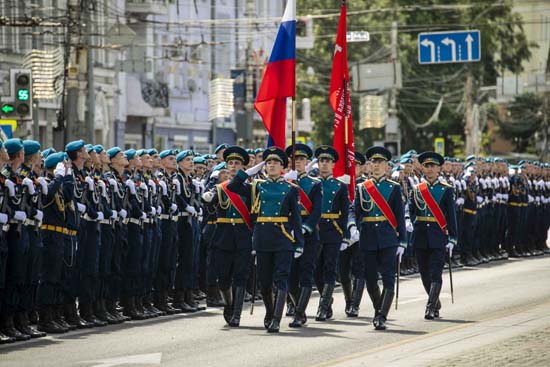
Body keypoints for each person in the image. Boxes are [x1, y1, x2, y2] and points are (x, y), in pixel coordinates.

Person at [227, 147, 304, 333]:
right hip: (262, 237)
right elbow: (232, 187)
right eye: (268, 162)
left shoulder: (291, 188)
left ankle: (277, 319)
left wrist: (299, 242)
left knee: (281, 279)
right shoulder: (257, 186)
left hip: (283, 237)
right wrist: (247, 173)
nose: (271, 165)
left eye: (275, 163)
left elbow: (296, 218)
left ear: (282, 167)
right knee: (264, 282)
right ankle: (270, 312)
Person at [351, 146, 407, 330]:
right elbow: (354, 211)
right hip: (367, 237)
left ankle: (382, 316)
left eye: (380, 162)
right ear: (369, 165)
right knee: (370, 279)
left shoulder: (394, 188)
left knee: (389, 277)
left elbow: (399, 215)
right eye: (373, 162)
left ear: (386, 166)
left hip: (388, 238)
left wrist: (403, 241)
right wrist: (352, 225)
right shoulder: (361, 188)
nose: (376, 165)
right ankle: (378, 309)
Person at [202, 146, 252, 327]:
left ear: (244, 167)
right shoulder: (219, 188)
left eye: (237, 163)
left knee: (240, 276)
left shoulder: (251, 189)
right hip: (223, 236)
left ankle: (237, 313)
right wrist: (207, 199)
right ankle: (229, 304)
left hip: (243, 236)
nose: (232, 166)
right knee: (222, 277)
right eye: (230, 163)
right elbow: (210, 210)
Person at [409, 152, 457, 319]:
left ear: (439, 169)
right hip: (421, 235)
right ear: (422, 168)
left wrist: (452, 238)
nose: (430, 169)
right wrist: (412, 223)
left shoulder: (446, 189)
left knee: (436, 272)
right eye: (427, 166)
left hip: (438, 235)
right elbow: (412, 211)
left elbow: (451, 215)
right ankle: (435, 301)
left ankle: (430, 307)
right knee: (424, 273)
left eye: (433, 166)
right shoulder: (416, 190)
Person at [284, 144, 322, 328]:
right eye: (293, 159)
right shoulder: (284, 182)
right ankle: (299, 306)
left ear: (306, 161)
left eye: (300, 159)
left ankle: (299, 313)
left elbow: (316, 211)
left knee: (306, 273)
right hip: (287, 233)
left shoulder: (314, 184)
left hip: (307, 234)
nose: (297, 162)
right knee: (290, 276)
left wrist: (304, 228)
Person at [313, 145, 349, 322]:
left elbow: (345, 211)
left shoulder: (340, 186)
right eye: (321, 160)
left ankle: (323, 305)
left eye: (328, 161)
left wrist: (345, 235)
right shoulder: (311, 183)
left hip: (333, 230)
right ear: (317, 163)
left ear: (333, 164)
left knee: (329, 268)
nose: (324, 164)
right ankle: (326, 298)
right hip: (315, 229)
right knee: (315, 271)